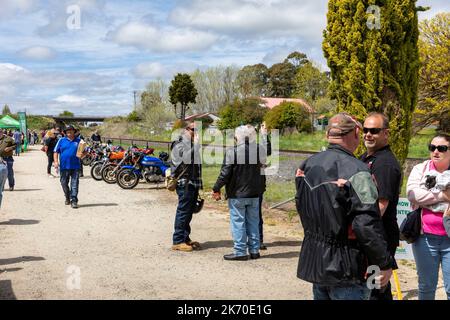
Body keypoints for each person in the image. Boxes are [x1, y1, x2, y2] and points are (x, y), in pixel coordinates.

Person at [295, 112, 393, 300]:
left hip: (317, 262)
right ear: (356, 132)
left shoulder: (307, 165)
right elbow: (366, 223)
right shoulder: (359, 171)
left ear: (328, 135)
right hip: (347, 267)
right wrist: (384, 263)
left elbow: (302, 207)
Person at [360, 112, 402, 300]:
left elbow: (380, 206)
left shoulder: (384, 164)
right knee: (372, 289)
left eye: (374, 131)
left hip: (379, 238)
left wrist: (362, 228)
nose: (368, 134)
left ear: (386, 133)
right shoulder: (367, 158)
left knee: (375, 290)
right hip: (370, 237)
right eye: (365, 130)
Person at [212, 125, 267, 261]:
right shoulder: (259, 151)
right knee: (253, 222)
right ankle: (254, 250)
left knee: (238, 222)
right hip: (255, 193)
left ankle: (240, 251)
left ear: (238, 137)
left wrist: (216, 188)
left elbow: (225, 173)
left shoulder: (233, 152)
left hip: (238, 194)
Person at [406, 133, 450, 300]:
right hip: (425, 239)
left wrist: (426, 198)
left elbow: (421, 197)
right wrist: (443, 196)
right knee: (426, 287)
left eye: (442, 148)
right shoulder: (421, 169)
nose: (436, 151)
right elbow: (413, 195)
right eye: (432, 148)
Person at [170, 121, 203, 252]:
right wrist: (196, 145)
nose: (196, 133)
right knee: (183, 211)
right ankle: (177, 241)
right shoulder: (178, 144)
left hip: (193, 182)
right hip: (184, 183)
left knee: (189, 212)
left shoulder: (190, 144)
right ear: (186, 130)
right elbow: (186, 159)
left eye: (198, 130)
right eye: (194, 130)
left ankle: (185, 238)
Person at [53, 125, 83, 209]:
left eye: (71, 131)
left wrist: (83, 154)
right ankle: (67, 196)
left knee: (74, 184)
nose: (69, 133)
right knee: (63, 183)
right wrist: (55, 162)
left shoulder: (79, 141)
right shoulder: (61, 140)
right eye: (68, 131)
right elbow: (55, 151)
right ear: (65, 132)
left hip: (75, 166)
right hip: (64, 166)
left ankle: (74, 200)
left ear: (74, 131)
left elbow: (83, 153)